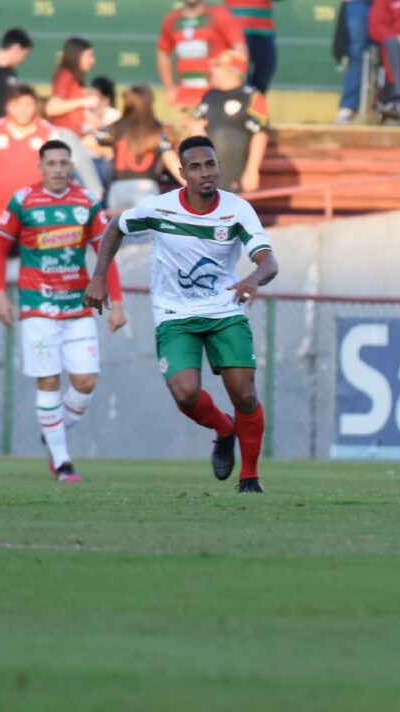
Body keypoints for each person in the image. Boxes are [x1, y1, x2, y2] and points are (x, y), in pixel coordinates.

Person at [83, 135, 279, 493]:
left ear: (219, 166)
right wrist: (98, 277)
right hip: (175, 313)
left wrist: (251, 279)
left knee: (246, 395)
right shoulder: (159, 208)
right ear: (181, 173)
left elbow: (269, 262)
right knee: (185, 392)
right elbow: (115, 228)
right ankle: (224, 429)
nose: (205, 172)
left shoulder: (238, 209)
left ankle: (250, 477)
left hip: (224, 310)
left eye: (211, 164)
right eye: (196, 167)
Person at [0, 139, 126, 482]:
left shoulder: (86, 202)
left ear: (71, 166)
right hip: (38, 305)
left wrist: (117, 302)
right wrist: (0, 295)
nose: (58, 169)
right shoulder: (23, 201)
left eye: (64, 163)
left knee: (85, 382)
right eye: (51, 163)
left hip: (79, 305)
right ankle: (63, 462)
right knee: (48, 381)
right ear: (40, 167)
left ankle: (54, 433)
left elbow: (104, 252)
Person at [0, 85, 59, 255]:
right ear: (8, 106)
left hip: (35, 217)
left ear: (36, 106)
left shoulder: (48, 133)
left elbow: (59, 174)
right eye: (18, 104)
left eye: (28, 105)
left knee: (32, 270)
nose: (23, 110)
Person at [89, 84, 183, 211]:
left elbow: (89, 140)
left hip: (118, 188)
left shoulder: (114, 128)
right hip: (147, 186)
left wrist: (106, 152)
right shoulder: (159, 130)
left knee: (119, 228)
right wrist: (190, 183)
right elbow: (169, 157)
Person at [193, 51, 269, 193]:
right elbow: (196, 124)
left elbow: (260, 135)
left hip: (234, 170)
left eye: (217, 66)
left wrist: (252, 171)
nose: (212, 69)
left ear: (231, 71)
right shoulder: (209, 96)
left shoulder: (252, 97)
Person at [157, 0, 247, 111]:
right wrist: (169, 88)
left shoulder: (218, 14)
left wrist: (234, 83)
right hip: (185, 96)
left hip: (216, 96)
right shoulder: (172, 19)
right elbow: (163, 53)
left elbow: (240, 48)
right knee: (186, 127)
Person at [44, 37, 105, 199]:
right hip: (66, 136)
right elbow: (52, 108)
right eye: (89, 56)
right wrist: (84, 101)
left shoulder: (71, 78)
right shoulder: (66, 75)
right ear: (77, 56)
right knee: (93, 191)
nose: (93, 60)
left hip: (72, 137)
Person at [224, 0, 282, 93]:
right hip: (236, 32)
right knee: (239, 72)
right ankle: (242, 101)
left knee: (265, 70)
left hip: (263, 31)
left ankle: (254, 101)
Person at [333, 0, 373, 125]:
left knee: (391, 48)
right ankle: (348, 106)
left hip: (389, 4)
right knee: (356, 52)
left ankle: (392, 104)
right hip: (357, 4)